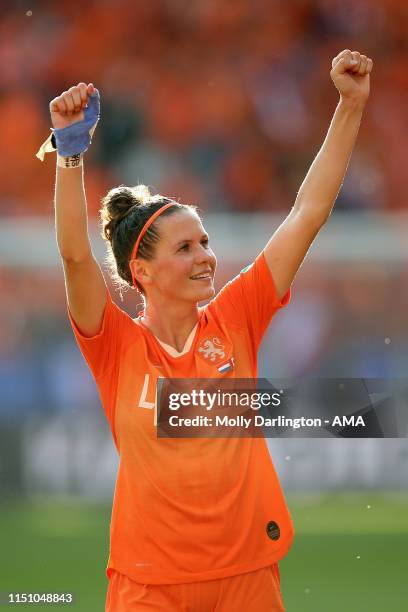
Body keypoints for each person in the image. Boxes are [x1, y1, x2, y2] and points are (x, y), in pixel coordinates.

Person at [41, 48, 372, 611]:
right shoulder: (116, 345)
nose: (206, 258)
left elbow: (307, 212)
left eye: (206, 243)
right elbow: (76, 257)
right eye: (186, 248)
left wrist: (349, 105)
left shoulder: (237, 315)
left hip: (246, 574)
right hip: (148, 585)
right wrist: (70, 154)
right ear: (141, 272)